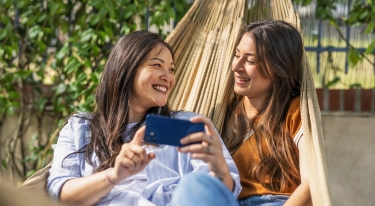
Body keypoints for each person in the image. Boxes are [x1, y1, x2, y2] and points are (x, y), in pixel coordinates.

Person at [47, 31, 241, 206]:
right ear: (126, 69)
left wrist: (219, 169)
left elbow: (220, 196)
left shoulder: (187, 125)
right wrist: (114, 175)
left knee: (196, 184)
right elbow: (63, 194)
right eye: (157, 65)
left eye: (172, 69)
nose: (168, 77)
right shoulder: (80, 128)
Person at [221, 20, 312, 206]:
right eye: (237, 55)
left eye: (250, 61)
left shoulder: (295, 111)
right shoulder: (224, 112)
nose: (236, 67)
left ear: (279, 69)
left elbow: (311, 182)